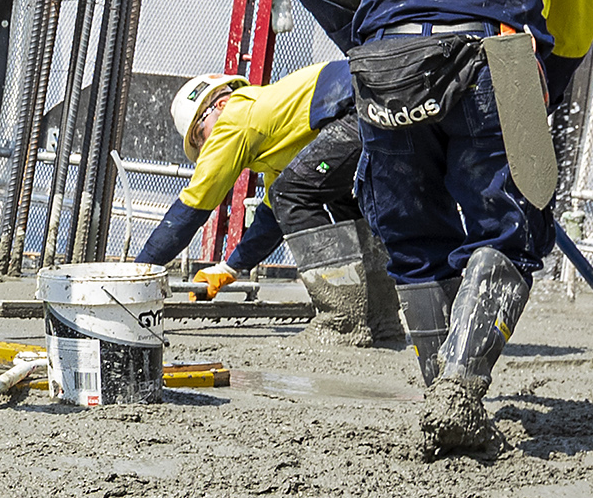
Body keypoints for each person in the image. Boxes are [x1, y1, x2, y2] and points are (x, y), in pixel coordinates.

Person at [282, 0, 593, 456]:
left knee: (407, 224)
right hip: (509, 54)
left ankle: (440, 390)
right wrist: (539, 94)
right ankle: (462, 383)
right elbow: (578, 20)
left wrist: (365, 36)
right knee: (510, 225)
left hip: (393, 53)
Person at [130, 64, 398, 347]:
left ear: (221, 103)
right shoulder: (274, 134)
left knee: (291, 194)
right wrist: (230, 268)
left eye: (200, 132)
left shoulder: (234, 118)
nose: (204, 145)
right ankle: (380, 320)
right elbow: (272, 218)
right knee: (334, 195)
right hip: (377, 93)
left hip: (355, 102)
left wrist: (137, 274)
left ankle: (342, 322)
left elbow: (192, 208)